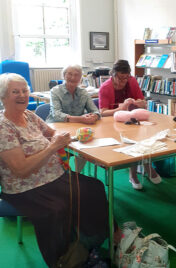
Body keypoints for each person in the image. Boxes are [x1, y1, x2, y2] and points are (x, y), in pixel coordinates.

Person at [0, 73, 111, 267]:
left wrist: (66, 136)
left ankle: (89, 242)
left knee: (93, 187)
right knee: (57, 209)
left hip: (52, 176)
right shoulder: (3, 127)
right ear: (3, 97)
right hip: (25, 187)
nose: (22, 95)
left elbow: (52, 133)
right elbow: (20, 169)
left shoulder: (29, 116)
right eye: (15, 92)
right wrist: (52, 147)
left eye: (25, 90)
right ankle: (63, 260)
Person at [99, 59, 161, 190]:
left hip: (132, 119)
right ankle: (133, 174)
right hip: (112, 123)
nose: (124, 81)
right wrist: (120, 108)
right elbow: (103, 113)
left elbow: (143, 103)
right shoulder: (105, 87)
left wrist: (139, 103)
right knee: (132, 140)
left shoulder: (131, 81)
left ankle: (146, 165)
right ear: (113, 74)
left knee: (144, 136)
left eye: (126, 78)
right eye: (121, 78)